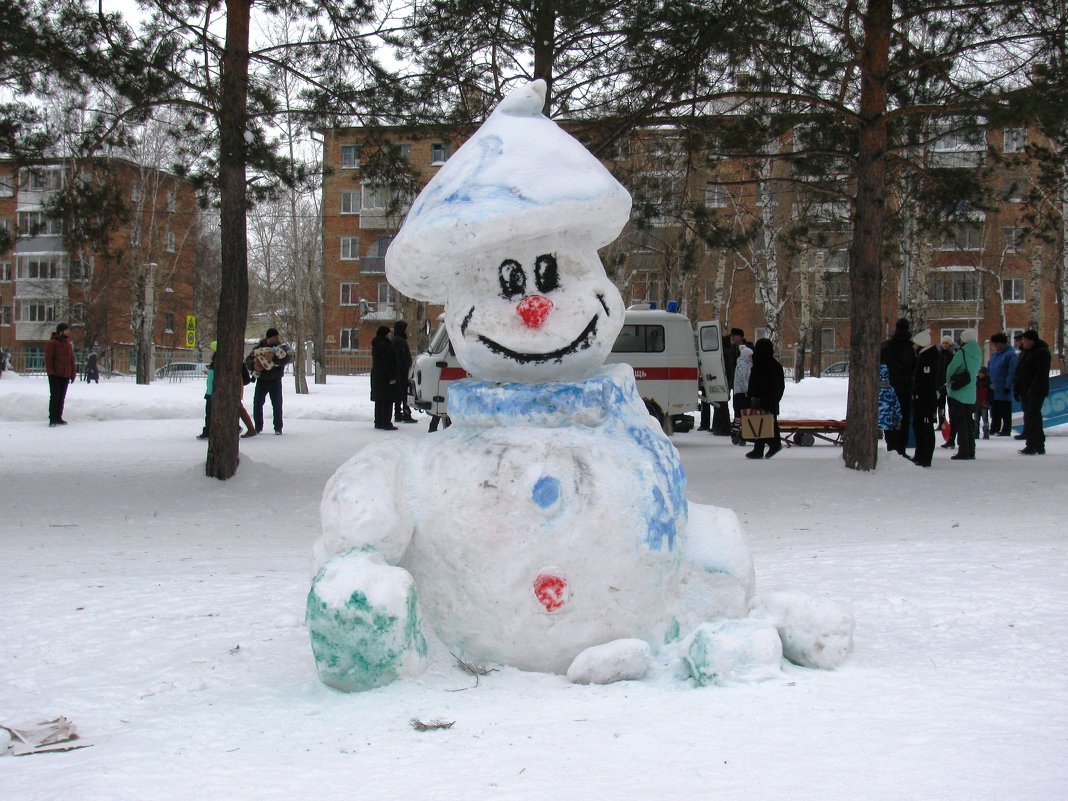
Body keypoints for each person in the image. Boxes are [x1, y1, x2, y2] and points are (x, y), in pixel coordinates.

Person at [245, 327, 292, 435]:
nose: (277, 338)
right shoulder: (259, 347)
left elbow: (286, 359)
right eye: (275, 337)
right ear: (270, 338)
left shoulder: (280, 348)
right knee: (257, 403)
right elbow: (249, 359)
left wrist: (274, 359)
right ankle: (258, 426)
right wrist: (254, 366)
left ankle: (278, 427)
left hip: (275, 379)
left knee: (277, 404)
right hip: (262, 380)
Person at [743, 337, 784, 459]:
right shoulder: (775, 365)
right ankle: (760, 449)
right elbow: (780, 385)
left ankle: (772, 445)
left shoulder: (760, 364)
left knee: (762, 421)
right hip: (771, 399)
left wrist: (753, 397)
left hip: (760, 399)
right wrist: (776, 398)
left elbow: (756, 383)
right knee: (768, 421)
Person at [879, 317, 915, 456]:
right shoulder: (910, 348)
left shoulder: (887, 346)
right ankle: (901, 449)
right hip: (905, 389)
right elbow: (913, 368)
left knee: (890, 419)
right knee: (903, 419)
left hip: (889, 389)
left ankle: (892, 448)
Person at [944, 328, 981, 460]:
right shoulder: (977, 352)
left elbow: (951, 369)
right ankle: (971, 449)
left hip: (959, 392)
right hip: (971, 391)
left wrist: (948, 383)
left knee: (960, 422)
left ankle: (963, 450)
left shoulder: (962, 352)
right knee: (969, 421)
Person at [1014, 329, 1050, 455]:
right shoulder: (1025, 352)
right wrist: (1017, 388)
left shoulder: (1042, 352)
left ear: (1031, 340)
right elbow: (1019, 371)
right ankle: (1039, 444)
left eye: (1025, 340)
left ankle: (1032, 444)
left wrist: (1033, 389)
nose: (1023, 342)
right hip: (1025, 390)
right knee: (1031, 416)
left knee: (1032, 416)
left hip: (1036, 390)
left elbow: (1041, 374)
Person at [910, 329, 939, 467]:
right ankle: (920, 454)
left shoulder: (928, 358)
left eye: (915, 344)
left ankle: (925, 457)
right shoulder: (924, 356)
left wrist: (917, 392)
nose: (913, 346)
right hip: (922, 399)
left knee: (925, 428)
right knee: (920, 427)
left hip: (925, 400)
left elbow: (926, 382)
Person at [711, 327, 744, 435]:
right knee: (721, 400)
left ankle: (724, 427)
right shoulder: (729, 346)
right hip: (727, 376)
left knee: (726, 401)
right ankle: (720, 426)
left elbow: (731, 361)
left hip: (732, 377)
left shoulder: (733, 347)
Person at [45, 321, 77, 427]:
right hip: (55, 374)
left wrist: (73, 373)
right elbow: (48, 359)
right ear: (61, 331)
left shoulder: (67, 344)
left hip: (65, 375)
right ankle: (52, 418)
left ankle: (59, 417)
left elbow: (71, 360)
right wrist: (51, 372)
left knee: (61, 397)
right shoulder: (52, 343)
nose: (68, 332)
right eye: (67, 330)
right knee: (55, 396)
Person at [986, 332, 1017, 436]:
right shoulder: (994, 355)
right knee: (995, 409)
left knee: (1005, 409)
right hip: (994, 386)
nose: (995, 346)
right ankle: (995, 427)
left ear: (1002, 343)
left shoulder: (1010, 355)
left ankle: (1006, 429)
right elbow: (990, 367)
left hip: (1004, 387)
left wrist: (1008, 386)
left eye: (996, 344)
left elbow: (1011, 371)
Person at [370, 325, 398, 430]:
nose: (390, 335)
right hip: (385, 376)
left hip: (377, 375)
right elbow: (388, 362)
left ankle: (378, 421)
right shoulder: (385, 345)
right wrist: (392, 376)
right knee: (387, 399)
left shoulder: (376, 344)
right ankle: (386, 422)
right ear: (385, 334)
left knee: (379, 400)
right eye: (389, 333)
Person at [391, 320, 417, 423]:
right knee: (404, 393)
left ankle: (398, 413)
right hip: (401, 372)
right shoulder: (400, 341)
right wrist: (406, 368)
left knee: (399, 394)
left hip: (398, 371)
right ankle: (406, 414)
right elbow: (401, 358)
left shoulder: (396, 340)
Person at [936, 334, 956, 447]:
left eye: (947, 343)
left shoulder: (952, 355)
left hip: (949, 384)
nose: (945, 345)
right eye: (943, 343)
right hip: (940, 384)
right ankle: (941, 422)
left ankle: (950, 423)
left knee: (950, 404)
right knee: (940, 405)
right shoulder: (939, 354)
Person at [973, 365, 991, 440]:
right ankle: (975, 433)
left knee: (985, 419)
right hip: (977, 402)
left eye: (981, 373)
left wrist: (988, 401)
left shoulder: (988, 382)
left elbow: (991, 393)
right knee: (976, 419)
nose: (980, 374)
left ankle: (986, 433)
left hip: (984, 403)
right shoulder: (976, 381)